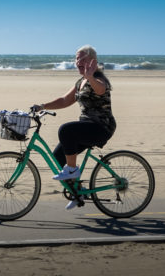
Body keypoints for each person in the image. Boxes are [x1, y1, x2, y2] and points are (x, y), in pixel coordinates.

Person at [32, 45, 116, 210]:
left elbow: (100, 90)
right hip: (86, 127)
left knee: (66, 130)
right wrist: (42, 106)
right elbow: (65, 100)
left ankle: (71, 170)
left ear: (92, 61)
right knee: (58, 156)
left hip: (101, 127)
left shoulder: (98, 78)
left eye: (82, 58)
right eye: (77, 58)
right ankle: (78, 192)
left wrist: (91, 76)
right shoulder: (80, 82)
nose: (78, 62)